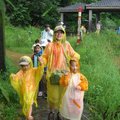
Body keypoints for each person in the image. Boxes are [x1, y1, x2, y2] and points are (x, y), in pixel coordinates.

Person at [39, 25, 80, 120]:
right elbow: (45, 57)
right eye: (57, 32)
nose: (59, 34)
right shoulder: (50, 45)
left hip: (65, 73)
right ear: (54, 34)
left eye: (61, 32)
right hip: (52, 74)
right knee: (53, 95)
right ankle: (51, 111)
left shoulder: (67, 45)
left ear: (64, 34)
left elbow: (74, 55)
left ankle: (59, 112)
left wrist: (73, 62)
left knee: (63, 94)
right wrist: (42, 61)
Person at [10, 56, 44, 120]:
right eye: (22, 66)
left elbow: (39, 70)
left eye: (26, 65)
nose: (24, 67)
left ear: (30, 64)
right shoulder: (21, 72)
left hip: (31, 90)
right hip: (24, 90)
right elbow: (17, 77)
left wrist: (41, 64)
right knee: (25, 102)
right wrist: (13, 77)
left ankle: (28, 116)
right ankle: (27, 114)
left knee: (29, 102)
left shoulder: (33, 70)